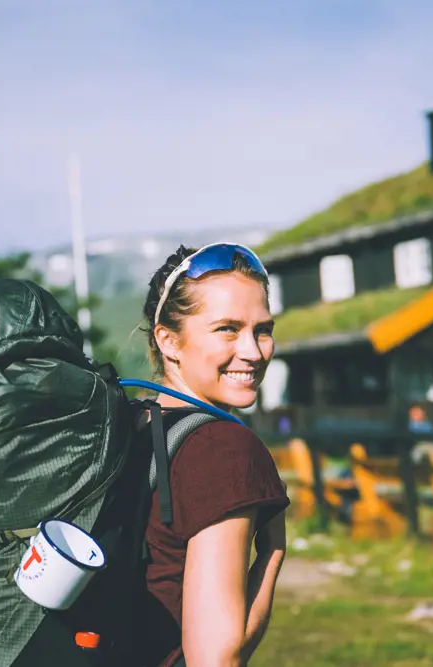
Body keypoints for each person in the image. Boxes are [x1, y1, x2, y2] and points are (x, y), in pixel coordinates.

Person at [134, 243, 290, 667]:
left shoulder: (135, 425)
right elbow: (215, 658)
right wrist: (274, 549)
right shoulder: (225, 449)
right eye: (227, 328)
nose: (255, 352)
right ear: (169, 342)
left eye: (262, 329)